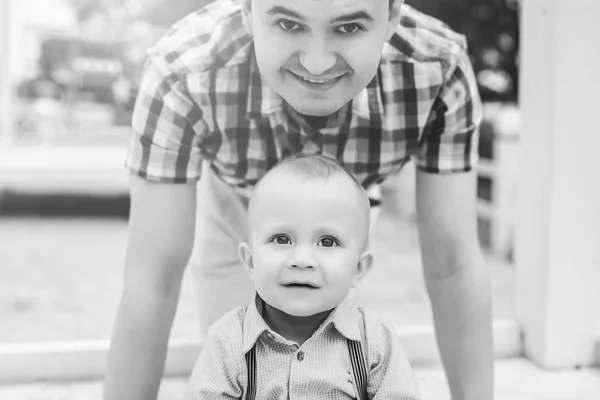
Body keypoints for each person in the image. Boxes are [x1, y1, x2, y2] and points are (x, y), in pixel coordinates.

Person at [104, 0, 493, 399]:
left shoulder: (438, 68)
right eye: (289, 23)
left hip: (350, 204)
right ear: (246, 12)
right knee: (239, 356)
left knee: (343, 349)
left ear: (391, 16)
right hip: (236, 198)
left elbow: (453, 264)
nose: (318, 63)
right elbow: (152, 279)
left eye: (349, 27)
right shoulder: (182, 72)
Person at [184, 153, 422, 399]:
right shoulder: (227, 341)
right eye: (281, 239)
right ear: (251, 260)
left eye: (327, 241)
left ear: (358, 268)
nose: (302, 260)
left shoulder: (375, 341)